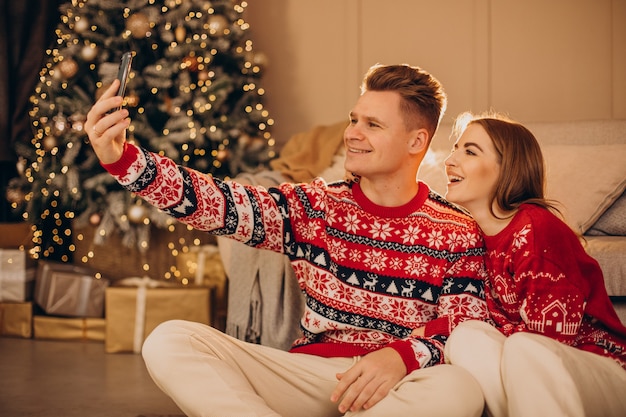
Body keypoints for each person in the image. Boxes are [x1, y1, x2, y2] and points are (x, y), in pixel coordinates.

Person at [85, 64, 489, 417]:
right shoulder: (315, 205)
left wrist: (402, 357)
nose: (352, 134)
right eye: (354, 120)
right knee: (170, 340)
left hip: (393, 385)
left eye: (373, 125)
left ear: (416, 142)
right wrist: (122, 159)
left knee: (460, 391)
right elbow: (220, 204)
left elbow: (464, 330)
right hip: (311, 378)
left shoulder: (456, 229)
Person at [441, 111, 626, 417]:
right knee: (467, 339)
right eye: (455, 148)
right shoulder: (470, 238)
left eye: (470, 151)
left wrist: (496, 328)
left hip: (602, 370)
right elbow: (471, 318)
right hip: (537, 376)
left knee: (524, 347)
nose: (450, 160)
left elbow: (551, 338)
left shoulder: (536, 228)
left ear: (507, 170)